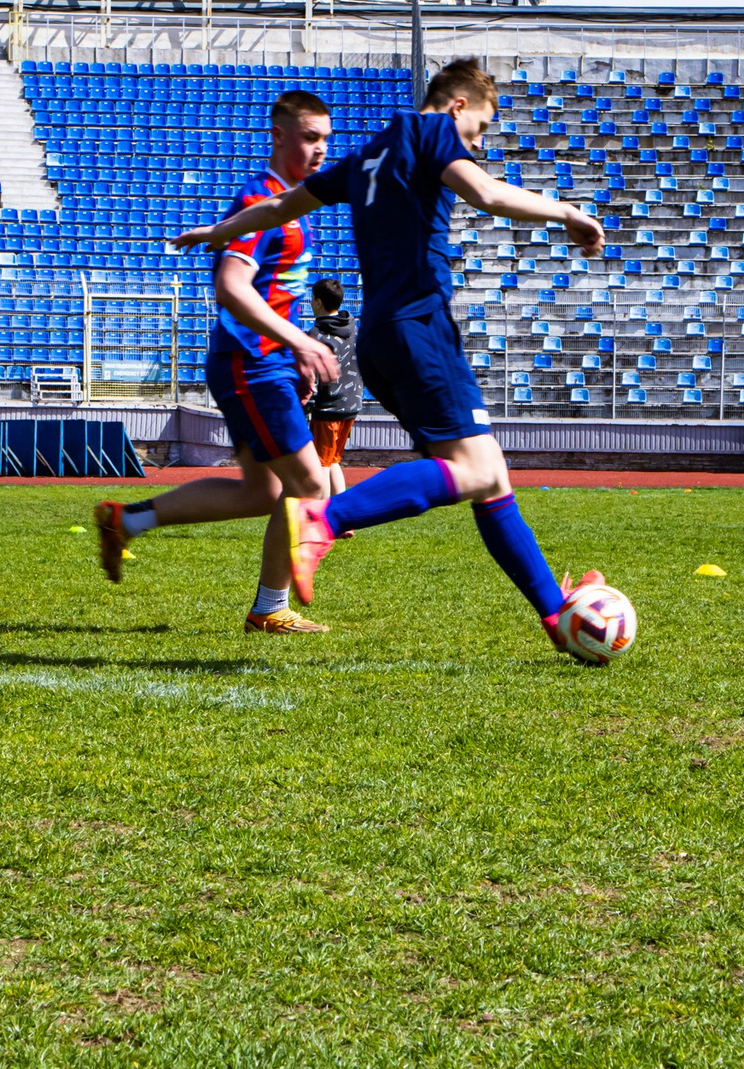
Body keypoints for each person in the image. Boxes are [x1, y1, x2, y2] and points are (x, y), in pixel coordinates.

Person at [169, 59, 614, 656]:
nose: (476, 143)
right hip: (419, 326)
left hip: (379, 335)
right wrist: (570, 213)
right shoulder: (431, 130)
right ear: (457, 106)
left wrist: (218, 233)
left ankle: (555, 615)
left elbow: (277, 208)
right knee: (476, 471)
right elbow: (484, 193)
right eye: (480, 129)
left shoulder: (365, 156)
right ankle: (323, 520)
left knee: (488, 477)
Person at [93, 89, 343, 635]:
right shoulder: (260, 199)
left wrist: (295, 351)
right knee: (309, 485)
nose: (321, 149)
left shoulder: (294, 204)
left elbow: (273, 294)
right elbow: (231, 287)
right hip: (251, 363)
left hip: (265, 361)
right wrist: (300, 344)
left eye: (326, 138)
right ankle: (270, 608)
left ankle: (126, 519)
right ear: (278, 135)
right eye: (309, 137)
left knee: (263, 492)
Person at [305, 277, 363, 500]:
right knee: (333, 460)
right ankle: (343, 510)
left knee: (321, 464)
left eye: (312, 299)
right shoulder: (353, 328)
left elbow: (311, 377)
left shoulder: (316, 335)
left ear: (318, 302)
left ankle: (323, 513)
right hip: (351, 404)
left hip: (328, 408)